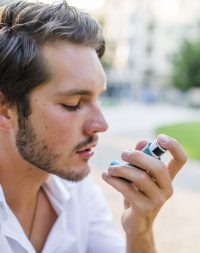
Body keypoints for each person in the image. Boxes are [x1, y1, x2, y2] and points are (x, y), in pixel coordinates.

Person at [0, 1, 187, 253]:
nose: (102, 125)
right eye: (73, 103)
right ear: (4, 108)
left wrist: (140, 229)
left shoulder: (78, 193)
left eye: (98, 98)